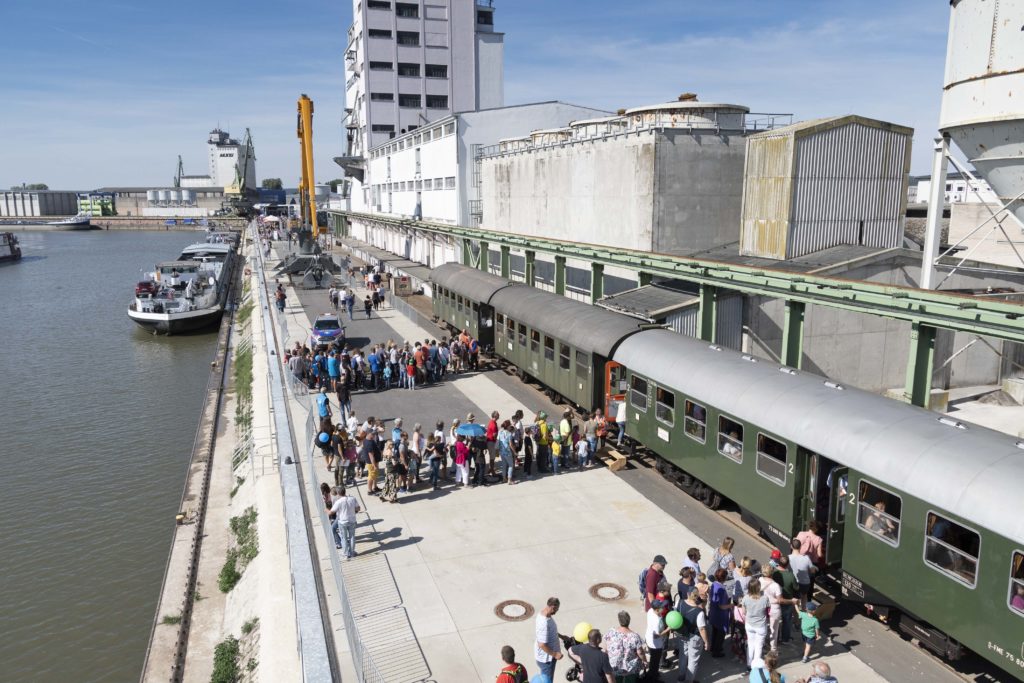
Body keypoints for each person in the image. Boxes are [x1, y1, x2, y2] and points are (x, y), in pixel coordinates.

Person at [677, 587, 710, 683]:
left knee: (683, 656)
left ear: (688, 594)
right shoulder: (699, 612)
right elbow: (702, 629)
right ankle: (689, 680)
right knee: (693, 660)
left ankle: (681, 678)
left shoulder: (680, 602)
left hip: (682, 634)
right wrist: (706, 642)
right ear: (697, 597)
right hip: (694, 638)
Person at [604, 611, 646, 683]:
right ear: (629, 621)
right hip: (631, 669)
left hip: (615, 667)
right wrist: (644, 660)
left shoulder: (611, 632)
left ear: (619, 621)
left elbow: (606, 648)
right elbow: (640, 652)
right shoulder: (635, 636)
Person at [740, 578, 770, 674]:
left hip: (749, 624)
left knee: (751, 644)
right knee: (759, 645)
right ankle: (756, 665)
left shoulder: (745, 598)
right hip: (761, 625)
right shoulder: (765, 598)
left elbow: (744, 612)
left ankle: (749, 664)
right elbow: (768, 611)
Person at [328, 485, 360, 559]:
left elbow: (331, 512)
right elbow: (358, 508)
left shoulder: (338, 502)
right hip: (352, 520)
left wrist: (326, 510)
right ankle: (352, 552)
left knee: (344, 538)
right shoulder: (352, 499)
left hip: (342, 522)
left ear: (338, 493)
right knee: (352, 537)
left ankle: (345, 554)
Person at [643, 597, 671, 681]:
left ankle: (652, 673)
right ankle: (653, 678)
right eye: (662, 607)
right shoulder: (656, 621)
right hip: (655, 645)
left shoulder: (650, 611)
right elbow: (656, 635)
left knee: (653, 660)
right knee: (655, 662)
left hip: (648, 640)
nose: (663, 608)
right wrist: (668, 629)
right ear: (657, 609)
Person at [535, 597, 563, 680]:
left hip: (548, 657)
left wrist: (561, 636)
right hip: (547, 660)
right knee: (547, 680)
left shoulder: (544, 614)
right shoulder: (544, 622)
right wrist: (555, 654)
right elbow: (542, 644)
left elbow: (548, 632)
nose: (557, 611)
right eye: (557, 609)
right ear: (553, 607)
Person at [788, 538, 815, 606]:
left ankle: (795, 612)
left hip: (793, 582)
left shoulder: (788, 558)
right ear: (800, 547)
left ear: (791, 546)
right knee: (804, 596)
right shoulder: (806, 558)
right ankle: (803, 609)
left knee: (794, 598)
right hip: (805, 583)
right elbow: (812, 571)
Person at [498, 420, 516, 484]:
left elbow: (498, 441)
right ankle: (509, 480)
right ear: (508, 426)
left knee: (504, 465)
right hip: (507, 452)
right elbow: (511, 444)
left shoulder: (500, 432)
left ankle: (504, 479)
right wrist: (514, 451)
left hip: (501, 451)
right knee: (511, 465)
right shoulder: (509, 434)